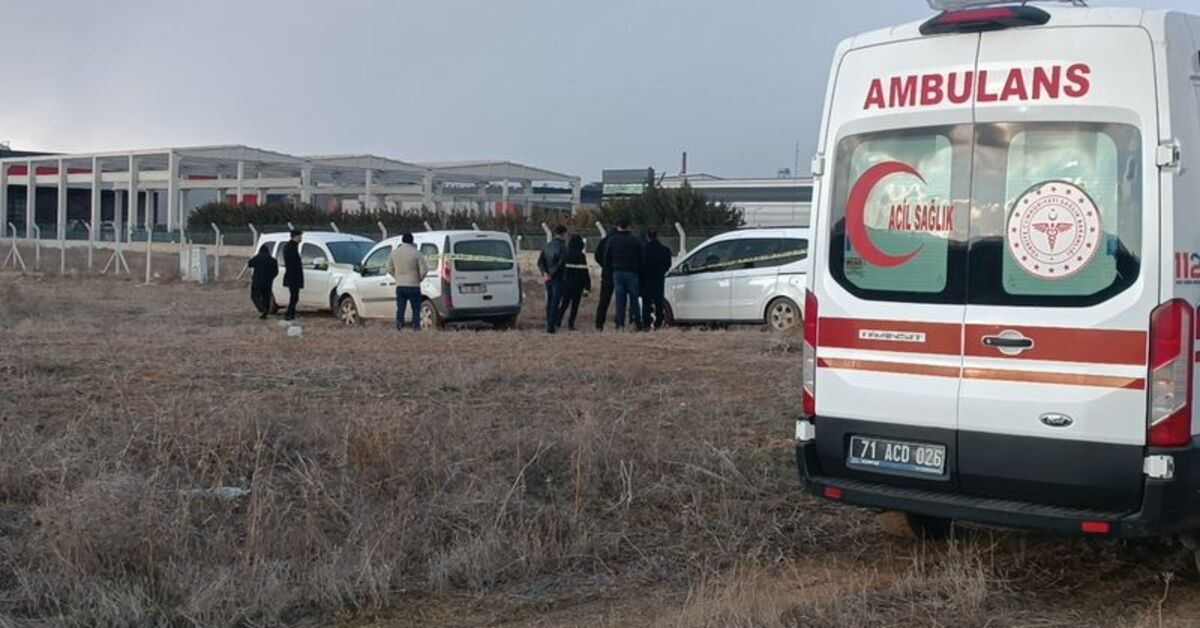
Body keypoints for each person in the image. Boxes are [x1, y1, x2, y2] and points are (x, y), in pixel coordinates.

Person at [604, 219, 644, 330]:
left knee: (620, 300)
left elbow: (607, 258)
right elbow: (641, 257)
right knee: (634, 299)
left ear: (618, 227)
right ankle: (637, 323)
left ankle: (620, 324)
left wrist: (610, 270)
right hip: (632, 273)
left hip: (617, 272)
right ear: (629, 227)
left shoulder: (612, 240)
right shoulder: (634, 241)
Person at [386, 232, 429, 332]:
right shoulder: (416, 253)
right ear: (412, 240)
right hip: (414, 285)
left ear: (402, 240)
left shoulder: (395, 253)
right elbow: (424, 270)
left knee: (400, 308)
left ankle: (400, 326)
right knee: (416, 309)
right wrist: (419, 278)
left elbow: (388, 268)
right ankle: (416, 327)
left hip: (400, 285)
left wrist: (396, 276)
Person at [537, 225, 569, 333]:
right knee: (556, 302)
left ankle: (548, 322)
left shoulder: (547, 246)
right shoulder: (563, 247)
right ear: (564, 234)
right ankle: (552, 325)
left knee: (550, 301)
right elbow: (561, 263)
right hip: (558, 278)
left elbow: (540, 262)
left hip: (548, 278)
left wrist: (545, 273)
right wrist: (552, 273)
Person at [557, 234, 592, 331]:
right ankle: (571, 324)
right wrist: (588, 286)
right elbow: (585, 272)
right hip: (578, 284)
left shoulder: (566, 254)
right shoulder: (581, 256)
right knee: (575, 305)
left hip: (566, 283)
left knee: (564, 304)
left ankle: (558, 321)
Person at [641, 230, 674, 329]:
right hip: (659, 278)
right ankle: (658, 322)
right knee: (659, 301)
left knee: (646, 302)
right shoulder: (665, 250)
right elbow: (668, 265)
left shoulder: (643, 250)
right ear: (657, 236)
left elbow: (640, 264)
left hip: (646, 279)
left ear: (648, 237)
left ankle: (646, 322)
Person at [246, 244, 279, 319]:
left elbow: (249, 264)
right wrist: (271, 278)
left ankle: (262, 309)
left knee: (255, 296)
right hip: (268, 282)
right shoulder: (273, 260)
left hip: (257, 281)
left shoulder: (258, 258)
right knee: (266, 297)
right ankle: (266, 312)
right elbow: (276, 272)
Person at [592, 229, 615, 331]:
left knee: (604, 300)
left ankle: (599, 323)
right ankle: (620, 321)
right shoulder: (621, 239)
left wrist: (604, 265)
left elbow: (597, 255)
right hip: (620, 271)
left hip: (607, 273)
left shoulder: (605, 240)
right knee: (622, 299)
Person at [281, 230, 304, 321]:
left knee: (295, 296)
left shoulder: (293, 247)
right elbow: (292, 263)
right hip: (293, 275)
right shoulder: (290, 247)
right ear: (295, 237)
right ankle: (289, 314)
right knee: (294, 296)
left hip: (294, 275)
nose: (301, 238)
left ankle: (291, 313)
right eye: (300, 236)